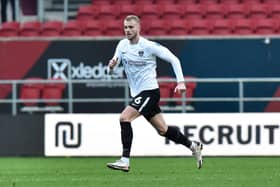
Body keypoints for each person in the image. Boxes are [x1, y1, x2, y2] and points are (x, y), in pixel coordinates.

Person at [106, 15, 203, 172]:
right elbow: (110, 69)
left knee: (124, 118)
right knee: (163, 130)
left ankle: (125, 160)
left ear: (138, 28)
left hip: (150, 92)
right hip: (138, 95)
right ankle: (193, 146)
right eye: (125, 27)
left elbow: (174, 59)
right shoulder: (122, 45)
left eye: (131, 27)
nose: (127, 30)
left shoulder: (148, 46)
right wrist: (110, 67)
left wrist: (181, 82)